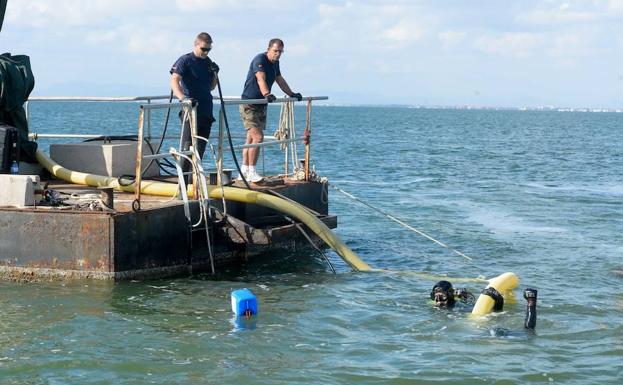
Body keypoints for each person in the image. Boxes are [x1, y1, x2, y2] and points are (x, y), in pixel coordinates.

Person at [238, 38, 303, 183]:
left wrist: (292, 94)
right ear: (268, 49)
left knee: (250, 139)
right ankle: (252, 171)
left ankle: (244, 169)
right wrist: (267, 93)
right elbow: (261, 78)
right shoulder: (259, 60)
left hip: (261, 105)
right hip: (249, 104)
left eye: (280, 52)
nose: (278, 54)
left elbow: (279, 79)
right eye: (275, 51)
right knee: (258, 138)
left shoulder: (276, 64)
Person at [170, 32, 219, 181]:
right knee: (186, 148)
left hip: (206, 110)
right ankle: (183, 184)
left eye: (209, 49)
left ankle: (195, 182)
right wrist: (183, 98)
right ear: (196, 45)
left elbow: (211, 87)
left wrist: (215, 75)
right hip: (190, 110)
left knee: (200, 149)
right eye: (204, 49)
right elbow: (174, 81)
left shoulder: (208, 62)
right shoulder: (185, 60)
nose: (206, 52)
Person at [430, 280, 538, 331]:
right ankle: (531, 302)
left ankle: (531, 302)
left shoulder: (460, 304)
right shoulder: (436, 309)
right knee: (526, 333)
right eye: (436, 298)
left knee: (528, 333)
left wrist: (466, 296)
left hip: (482, 318)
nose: (439, 302)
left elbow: (478, 305)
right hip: (477, 326)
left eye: (442, 298)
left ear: (450, 296)